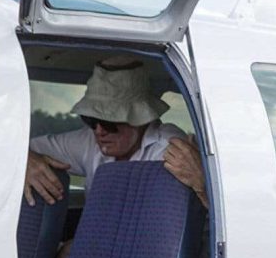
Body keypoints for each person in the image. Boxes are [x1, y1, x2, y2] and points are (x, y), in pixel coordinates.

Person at [24, 56, 206, 209]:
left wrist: (201, 182)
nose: (99, 131)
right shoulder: (90, 140)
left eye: (109, 122)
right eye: (91, 120)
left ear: (138, 119)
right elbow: (20, 148)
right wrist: (28, 161)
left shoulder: (168, 148)